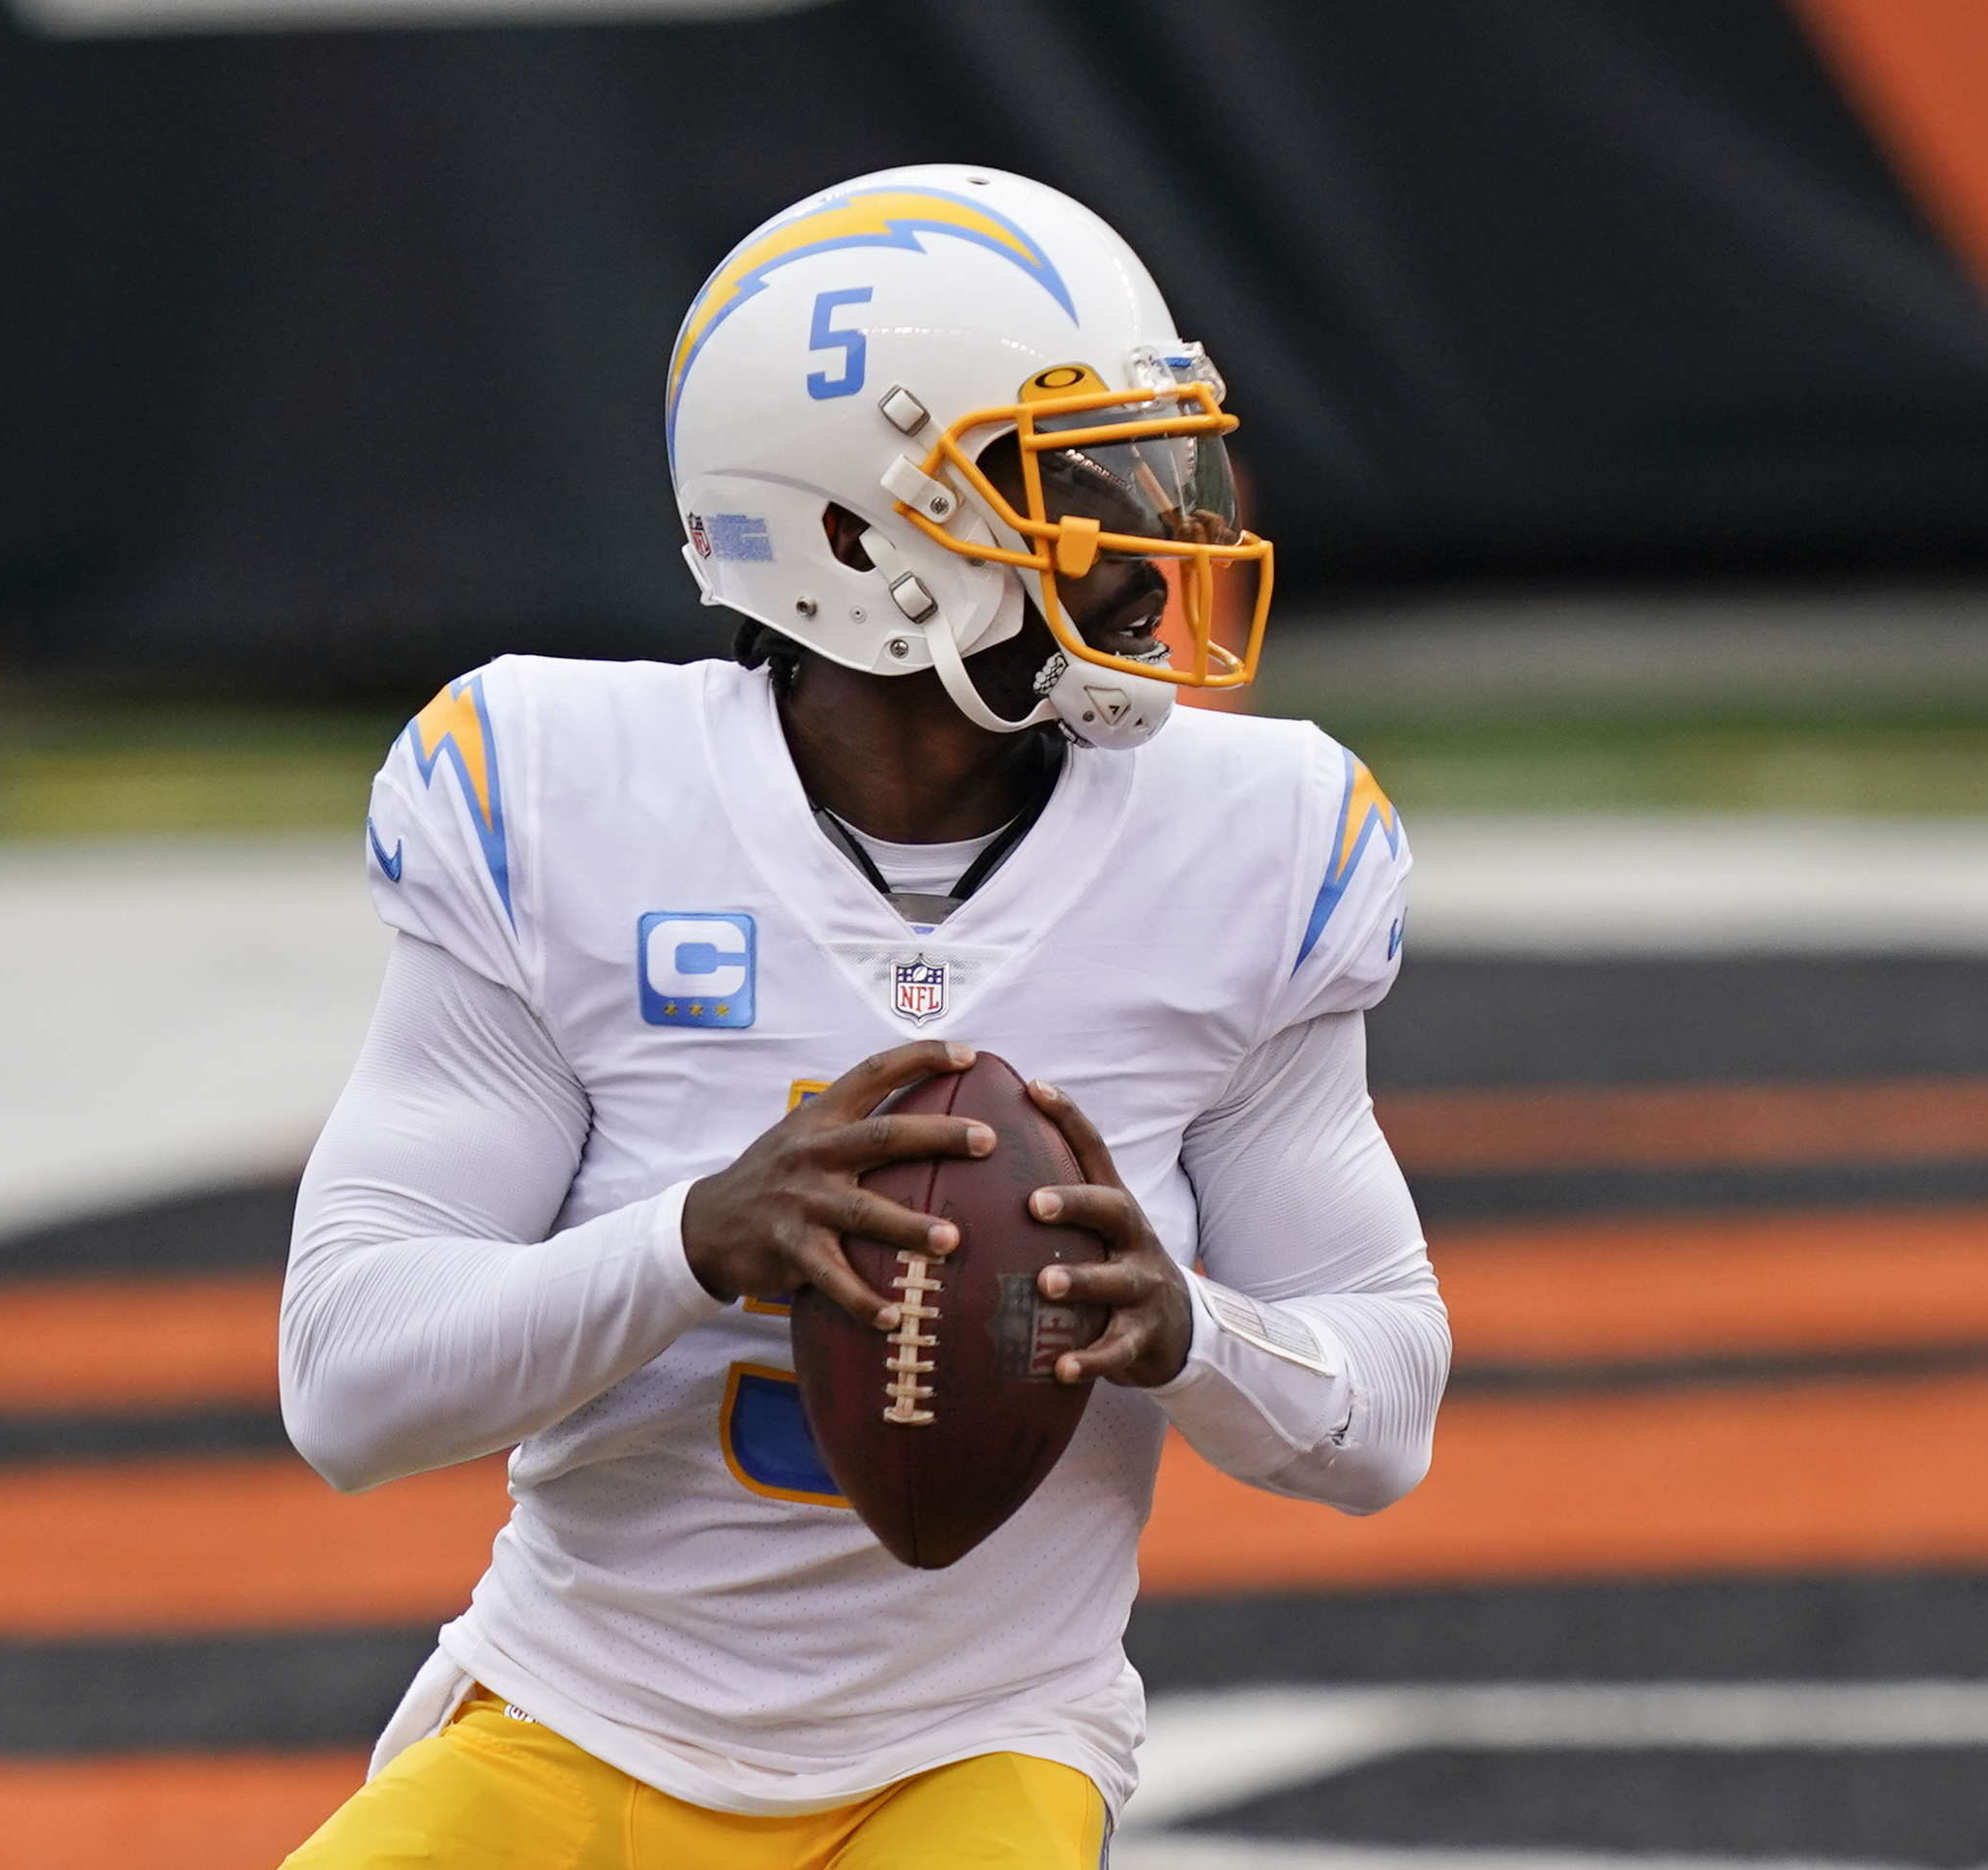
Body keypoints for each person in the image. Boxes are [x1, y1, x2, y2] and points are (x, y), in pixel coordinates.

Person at [278, 163, 1446, 1869]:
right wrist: (692, 1241)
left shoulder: (1260, 840)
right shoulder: (550, 791)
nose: (1158, 528)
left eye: (1147, 455)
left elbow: (1385, 1407)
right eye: (1066, 477)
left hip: (975, 1745)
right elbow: (348, 1385)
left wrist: (1187, 1327)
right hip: (575, 1716)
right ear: (854, 535)